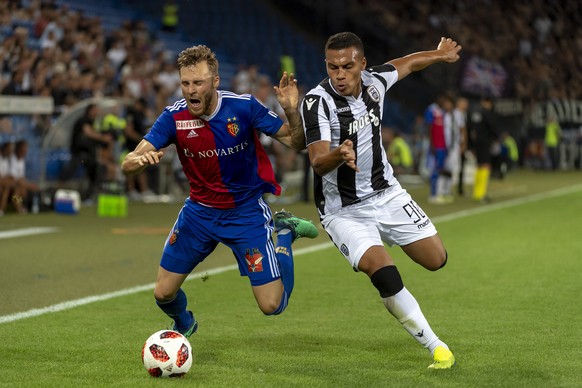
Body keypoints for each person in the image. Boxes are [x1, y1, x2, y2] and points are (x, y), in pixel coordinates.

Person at [121, 45, 318, 337]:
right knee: (162, 294)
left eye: (198, 83)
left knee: (271, 305)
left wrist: (291, 111)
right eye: (185, 83)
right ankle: (185, 324)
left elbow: (297, 143)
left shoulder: (243, 107)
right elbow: (128, 162)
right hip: (199, 214)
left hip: (245, 213)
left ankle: (285, 234)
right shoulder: (173, 117)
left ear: (215, 82)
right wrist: (139, 161)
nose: (190, 90)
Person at [300, 32, 460, 369]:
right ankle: (437, 346)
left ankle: (387, 234)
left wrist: (439, 53)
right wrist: (339, 155)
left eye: (346, 66)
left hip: (387, 193)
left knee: (437, 259)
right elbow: (316, 160)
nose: (339, 74)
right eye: (332, 67)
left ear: (361, 63)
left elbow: (409, 63)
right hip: (343, 210)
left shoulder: (376, 82)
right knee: (384, 274)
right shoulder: (317, 102)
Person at [58, 103, 114, 200]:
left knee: (95, 170)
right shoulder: (83, 120)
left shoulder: (94, 122)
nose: (97, 112)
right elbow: (88, 132)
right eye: (95, 110)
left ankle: (91, 194)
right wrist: (103, 138)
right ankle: (58, 189)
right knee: (71, 170)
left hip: (88, 153)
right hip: (79, 152)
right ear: (90, 110)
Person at [425, 92, 455, 204]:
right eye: (444, 100)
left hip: (443, 145)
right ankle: (433, 194)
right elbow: (429, 126)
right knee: (435, 169)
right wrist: (431, 144)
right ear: (440, 98)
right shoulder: (432, 109)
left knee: (441, 169)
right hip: (436, 145)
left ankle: (440, 192)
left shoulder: (443, 112)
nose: (445, 103)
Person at [468, 96, 499, 202]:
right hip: (485, 142)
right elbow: (493, 127)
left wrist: (471, 145)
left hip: (476, 143)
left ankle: (476, 193)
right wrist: (497, 137)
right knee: (485, 165)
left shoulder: (474, 113)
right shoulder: (486, 113)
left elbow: (470, 129)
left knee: (479, 166)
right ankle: (481, 194)